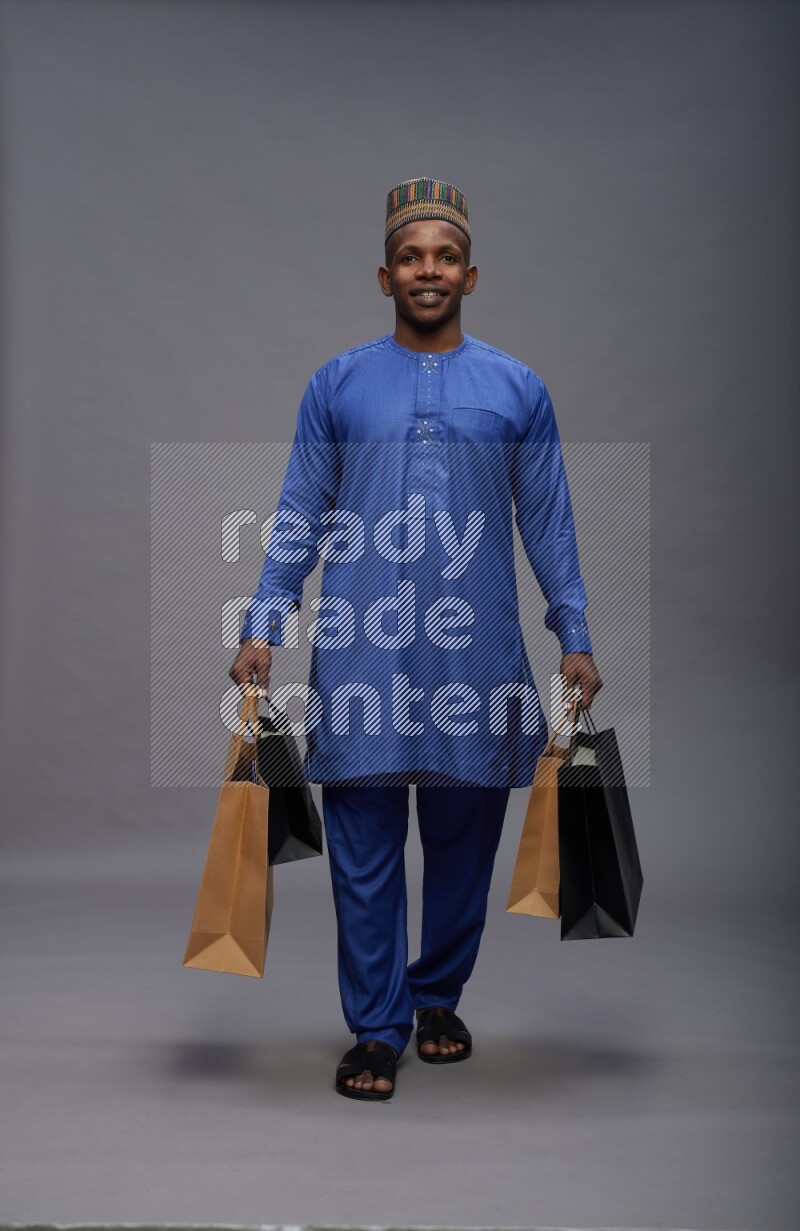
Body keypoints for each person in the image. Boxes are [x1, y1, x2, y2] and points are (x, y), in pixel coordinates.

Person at [229, 177, 602, 1101]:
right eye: (410, 256)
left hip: (475, 653)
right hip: (362, 648)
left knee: (463, 843)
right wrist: (263, 623)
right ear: (384, 274)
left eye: (443, 256)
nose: (426, 270)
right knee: (362, 846)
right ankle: (375, 1027)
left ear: (470, 275)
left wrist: (576, 635)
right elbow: (297, 513)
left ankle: (437, 997)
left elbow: (548, 521)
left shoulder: (518, 388)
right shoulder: (339, 383)